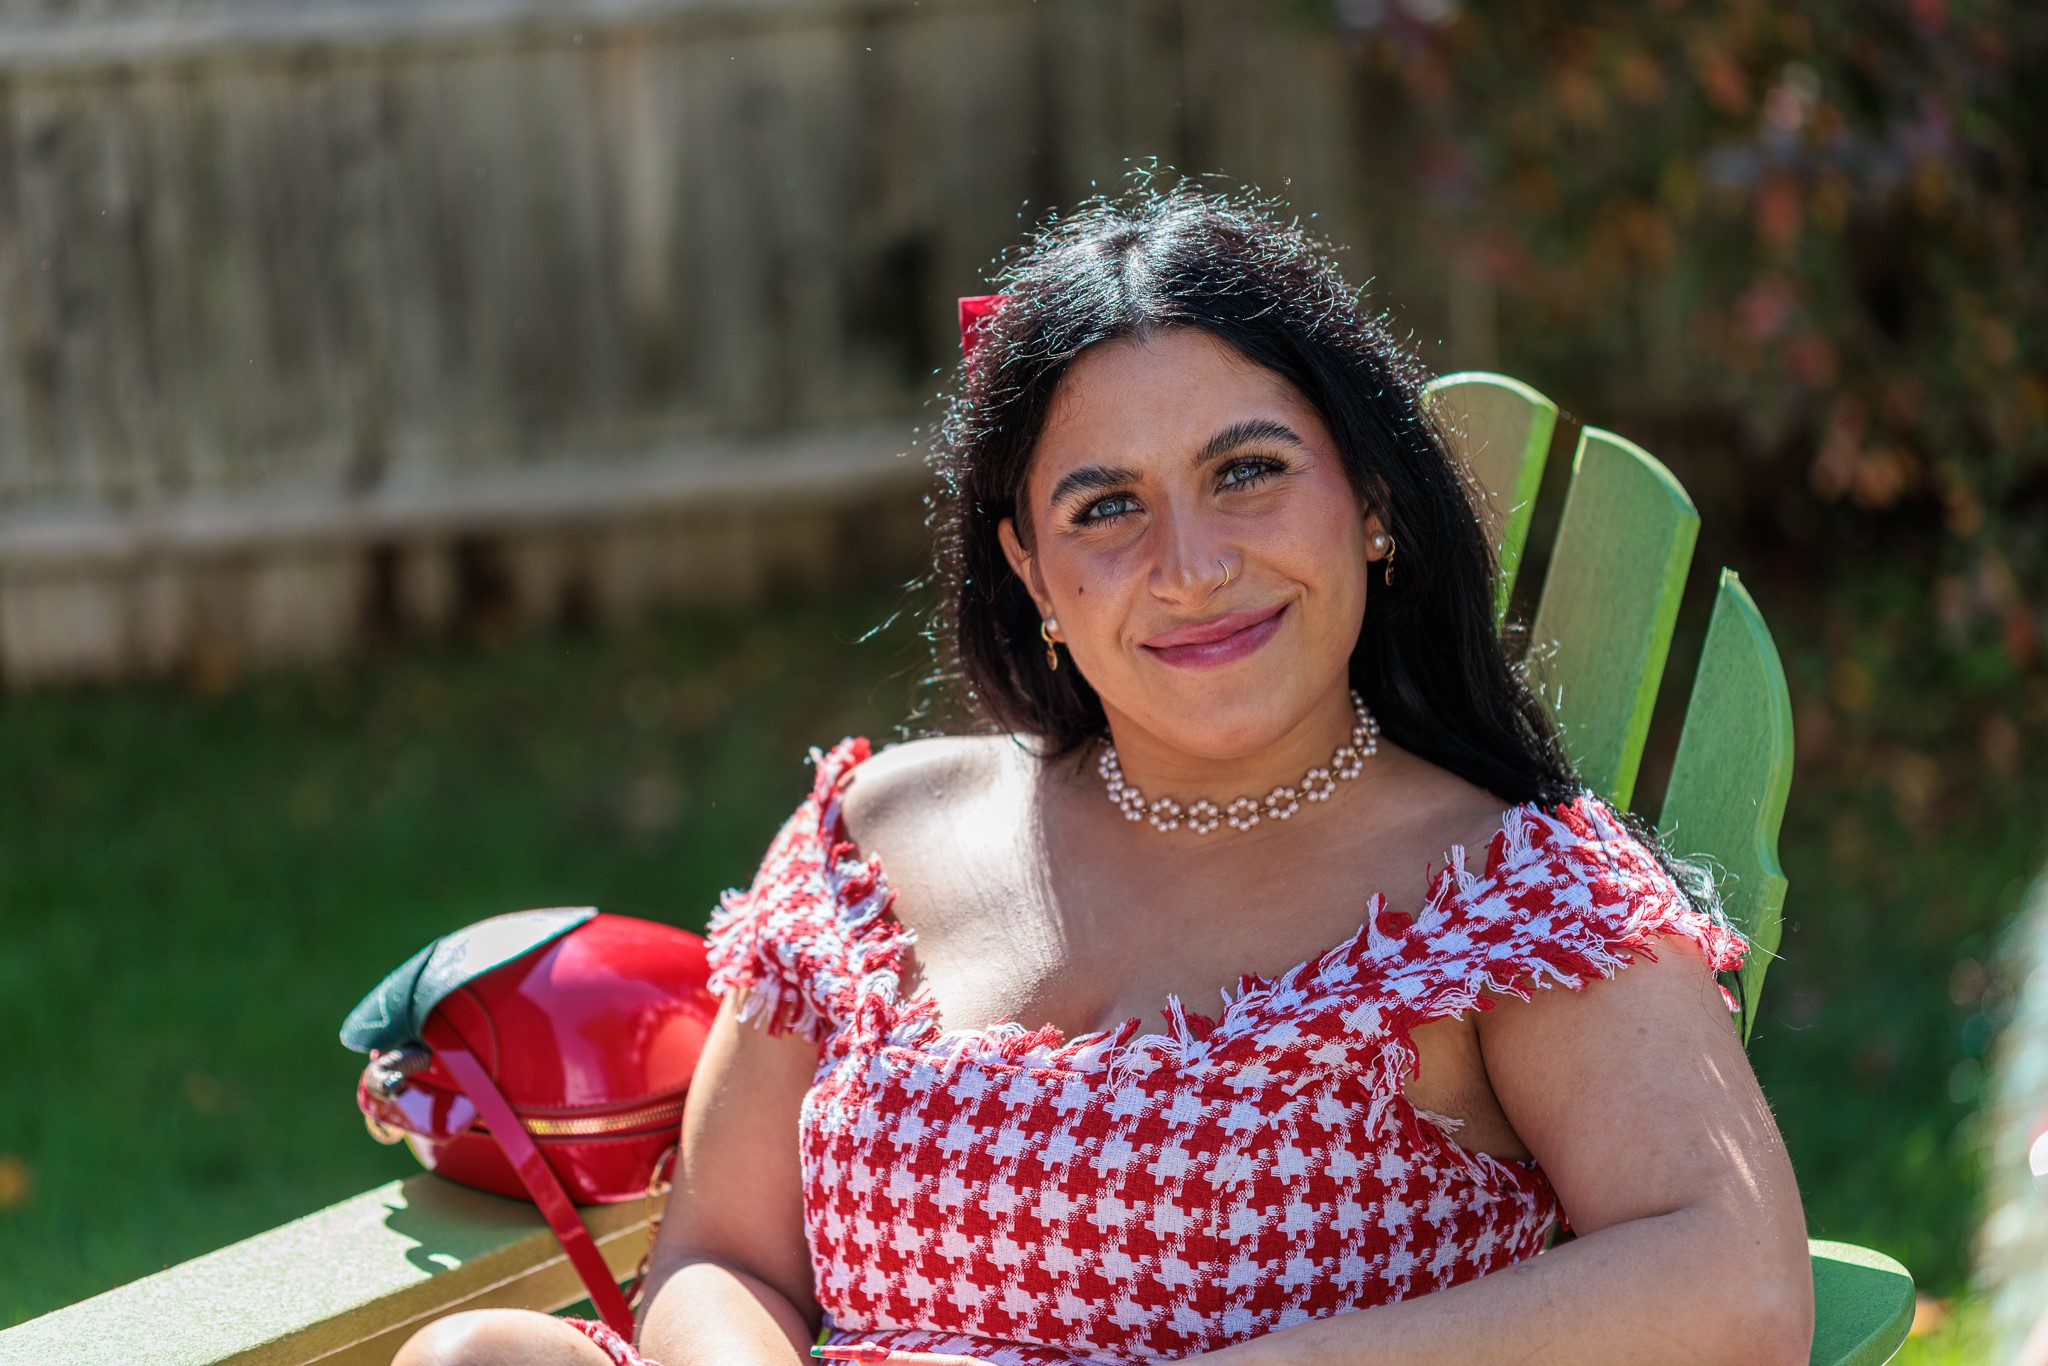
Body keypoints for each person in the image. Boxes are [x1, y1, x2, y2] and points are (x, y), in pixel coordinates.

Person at [393, 184, 1814, 1366]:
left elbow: (1736, 1281)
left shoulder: (1503, 895)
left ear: (1373, 501)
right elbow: (722, 1257)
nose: (1189, 567)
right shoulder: (876, 839)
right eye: (1107, 507)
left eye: (1248, 471)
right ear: (1031, 570)